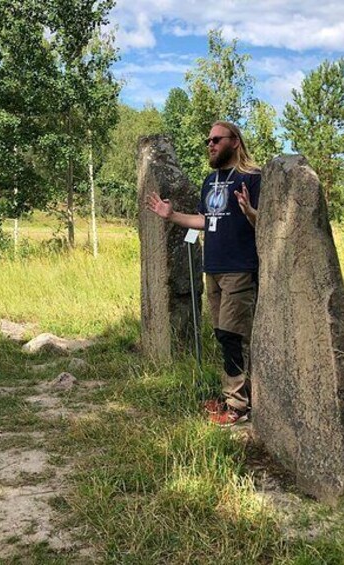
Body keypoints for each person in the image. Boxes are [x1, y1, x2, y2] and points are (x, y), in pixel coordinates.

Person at [146, 121, 260, 426]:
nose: (209, 145)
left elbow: (268, 222)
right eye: (207, 141)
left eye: (215, 139)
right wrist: (171, 215)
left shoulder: (254, 178)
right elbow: (204, 220)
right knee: (225, 335)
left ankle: (237, 405)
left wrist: (251, 212)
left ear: (235, 142)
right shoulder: (210, 181)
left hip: (240, 267)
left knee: (231, 335)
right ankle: (238, 396)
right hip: (214, 267)